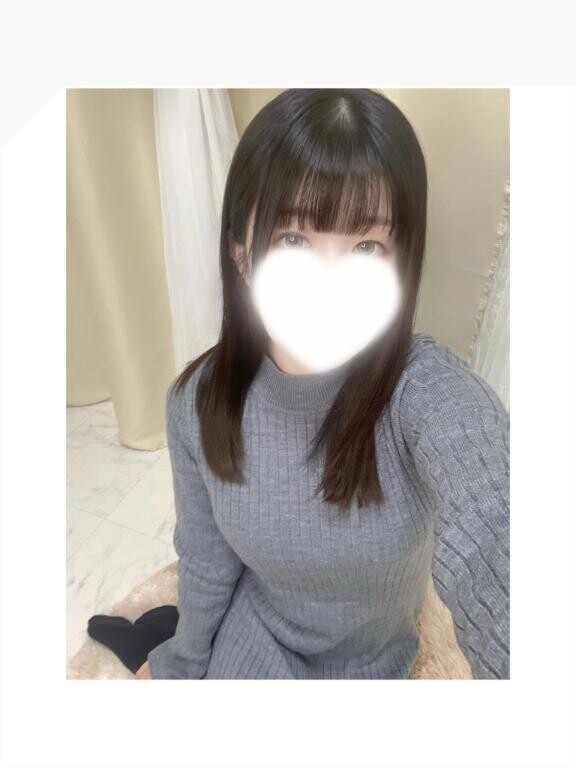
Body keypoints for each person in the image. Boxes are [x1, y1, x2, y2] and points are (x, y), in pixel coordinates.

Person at [136, 88, 510, 680]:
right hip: (255, 638)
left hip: (373, 662)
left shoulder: (423, 393)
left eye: (366, 245)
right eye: (293, 239)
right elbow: (206, 560)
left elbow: (500, 522)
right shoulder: (197, 403)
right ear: (241, 252)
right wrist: (180, 665)